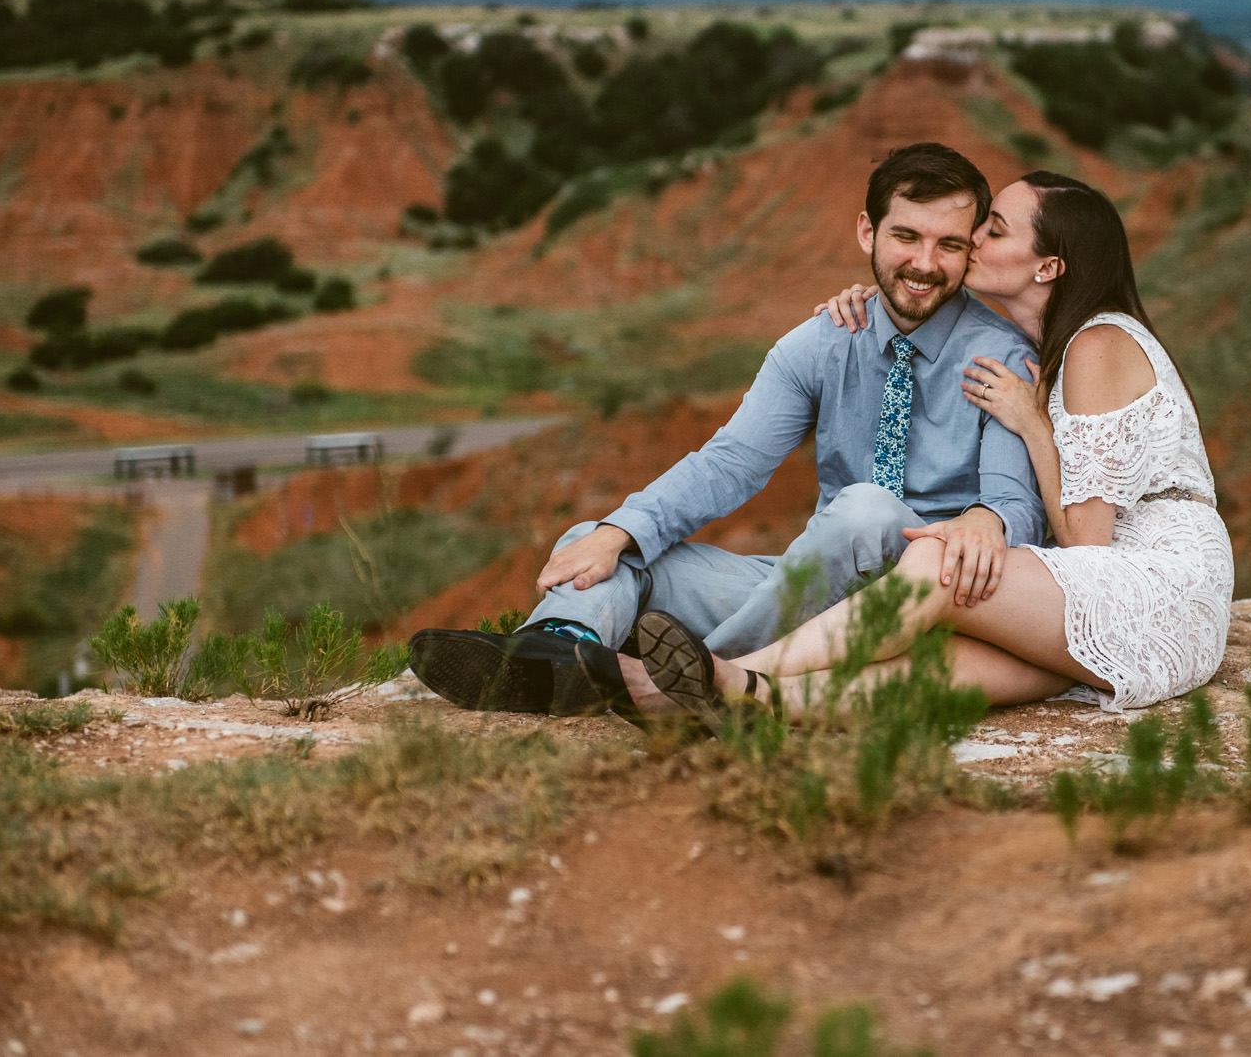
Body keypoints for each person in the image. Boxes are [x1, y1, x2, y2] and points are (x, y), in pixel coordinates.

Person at [408, 143, 1045, 720]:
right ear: (866, 231)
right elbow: (731, 462)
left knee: (867, 511)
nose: (925, 264)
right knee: (605, 542)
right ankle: (557, 655)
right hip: (813, 584)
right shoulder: (822, 343)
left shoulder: (999, 355)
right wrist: (620, 531)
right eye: (906, 236)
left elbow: (1014, 505)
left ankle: (693, 680)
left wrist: (986, 517)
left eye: (949, 245)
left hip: (918, 603)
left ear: (971, 250)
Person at [629, 170, 1234, 725]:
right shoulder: (1050, 347)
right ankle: (758, 702)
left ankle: (726, 672)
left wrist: (1033, 427)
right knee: (938, 664)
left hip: (1151, 584)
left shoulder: (1095, 344)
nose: (971, 241)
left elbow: (1089, 544)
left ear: (1047, 267)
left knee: (939, 564)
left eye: (993, 230)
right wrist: (874, 299)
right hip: (1118, 604)